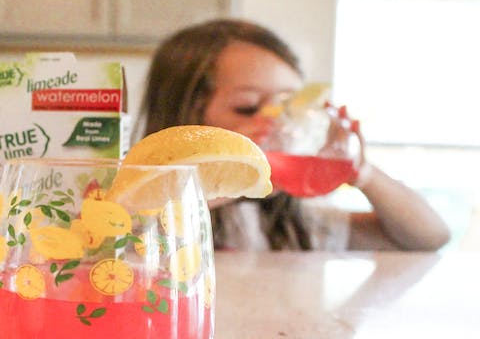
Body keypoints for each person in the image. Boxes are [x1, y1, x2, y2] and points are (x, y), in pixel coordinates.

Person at [139, 18, 450, 251]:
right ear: (186, 116)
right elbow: (132, 232)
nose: (273, 124)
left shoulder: (296, 226)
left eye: (286, 108)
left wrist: (359, 170)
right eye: (247, 108)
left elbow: (431, 237)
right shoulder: (147, 218)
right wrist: (236, 172)